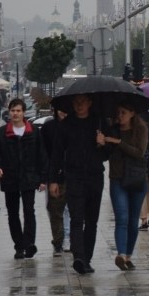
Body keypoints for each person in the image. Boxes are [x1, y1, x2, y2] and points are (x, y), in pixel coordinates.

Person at [49, 94, 109, 274]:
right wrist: (54, 180)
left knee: (92, 221)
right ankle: (79, 257)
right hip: (74, 177)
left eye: (83, 101)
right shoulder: (66, 125)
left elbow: (107, 155)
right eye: (76, 102)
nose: (79, 105)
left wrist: (102, 144)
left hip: (95, 177)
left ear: (90, 103)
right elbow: (57, 154)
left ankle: (87, 258)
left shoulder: (99, 123)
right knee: (76, 218)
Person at [0, 98, 49, 259]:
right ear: (9, 111)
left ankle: (29, 244)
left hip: (29, 177)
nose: (15, 113)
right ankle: (19, 245)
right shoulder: (2, 133)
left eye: (18, 110)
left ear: (23, 113)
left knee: (29, 211)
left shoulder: (33, 132)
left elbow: (42, 155)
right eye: (13, 110)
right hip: (10, 178)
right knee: (13, 213)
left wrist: (43, 178)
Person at [102, 102, 149, 271]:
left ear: (132, 113)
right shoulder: (112, 129)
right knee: (121, 217)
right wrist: (102, 143)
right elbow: (105, 154)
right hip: (118, 179)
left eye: (123, 112)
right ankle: (121, 254)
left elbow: (139, 152)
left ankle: (128, 255)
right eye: (118, 113)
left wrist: (118, 142)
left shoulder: (141, 129)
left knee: (132, 219)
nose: (120, 116)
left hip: (137, 179)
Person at [42, 108, 68, 254]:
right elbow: (44, 152)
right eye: (61, 109)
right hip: (55, 176)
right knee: (55, 209)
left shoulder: (76, 127)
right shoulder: (49, 127)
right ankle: (58, 240)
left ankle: (71, 239)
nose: (64, 112)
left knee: (72, 210)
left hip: (74, 174)